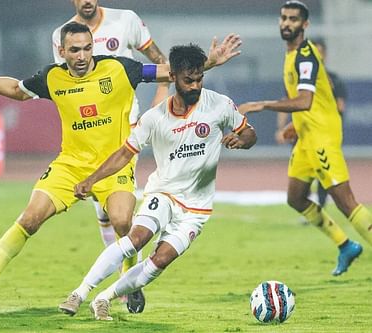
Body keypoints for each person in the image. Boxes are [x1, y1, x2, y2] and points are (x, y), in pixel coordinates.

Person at [0, 22, 242, 312]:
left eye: (87, 48)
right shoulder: (52, 78)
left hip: (115, 165)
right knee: (29, 219)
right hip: (70, 165)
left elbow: (171, 72)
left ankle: (131, 284)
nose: (82, 56)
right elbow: (15, 89)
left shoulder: (119, 69)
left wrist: (210, 63)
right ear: (62, 51)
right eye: (75, 50)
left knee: (124, 223)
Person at [58, 43, 257, 320]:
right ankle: (79, 293)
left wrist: (242, 140)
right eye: (189, 80)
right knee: (135, 240)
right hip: (162, 193)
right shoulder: (154, 119)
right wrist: (91, 180)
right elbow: (124, 154)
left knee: (159, 261)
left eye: (200, 78)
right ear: (173, 77)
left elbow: (249, 132)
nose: (195, 85)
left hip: (196, 209)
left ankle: (104, 298)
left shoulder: (219, 105)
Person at [238, 0, 371, 276]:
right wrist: (296, 127)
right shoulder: (290, 54)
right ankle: (345, 245)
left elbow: (305, 100)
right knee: (296, 198)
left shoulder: (306, 56)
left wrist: (261, 105)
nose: (287, 23)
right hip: (306, 137)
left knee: (347, 203)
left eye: (293, 19)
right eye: (284, 18)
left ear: (305, 24)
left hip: (322, 138)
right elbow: (314, 100)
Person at [52, 1, 169, 312]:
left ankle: (130, 281)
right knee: (104, 215)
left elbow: (160, 61)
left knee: (121, 217)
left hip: (124, 129)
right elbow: (67, 87)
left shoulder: (126, 20)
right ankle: (126, 276)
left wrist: (159, 102)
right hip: (90, 137)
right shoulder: (60, 36)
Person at [276, 37, 348, 209]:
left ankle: (322, 204)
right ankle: (309, 207)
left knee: (326, 175)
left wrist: (323, 122)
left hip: (324, 134)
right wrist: (283, 127)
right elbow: (287, 101)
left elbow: (340, 106)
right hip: (302, 133)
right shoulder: (297, 79)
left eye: (320, 51)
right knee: (301, 177)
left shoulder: (334, 79)